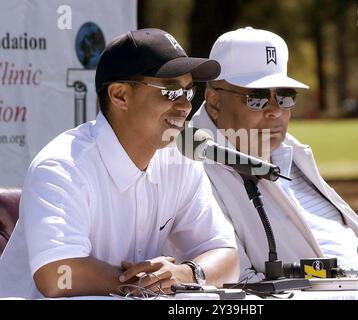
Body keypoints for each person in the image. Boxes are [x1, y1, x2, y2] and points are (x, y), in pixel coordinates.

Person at [0, 28, 239, 299]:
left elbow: (226, 256)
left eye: (189, 92)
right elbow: (57, 275)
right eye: (171, 92)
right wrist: (143, 283)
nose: (185, 106)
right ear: (120, 96)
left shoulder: (180, 160)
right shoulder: (62, 166)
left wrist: (187, 274)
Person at [190, 27, 358, 282]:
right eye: (257, 98)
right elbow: (232, 282)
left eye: (285, 96)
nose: (275, 111)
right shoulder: (189, 168)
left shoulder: (290, 151)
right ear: (214, 101)